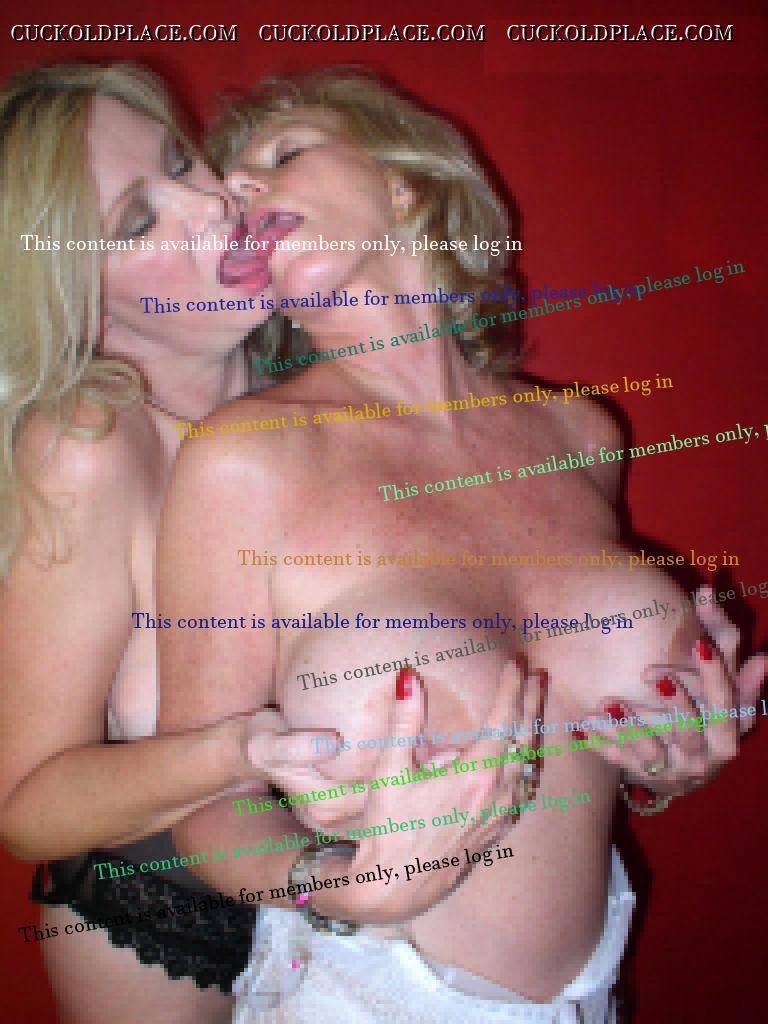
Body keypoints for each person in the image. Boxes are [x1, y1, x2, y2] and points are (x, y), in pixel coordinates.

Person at [157, 71, 765, 1022]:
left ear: (406, 184)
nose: (240, 190)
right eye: (234, 195)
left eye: (284, 155)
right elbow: (200, 804)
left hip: (588, 997)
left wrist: (667, 760)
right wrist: (335, 884)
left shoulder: (579, 435)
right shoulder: (245, 458)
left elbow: (575, 756)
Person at [0, 63, 331, 1024]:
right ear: (80, 304)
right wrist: (241, 750)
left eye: (183, 161)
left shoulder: (338, 385)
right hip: (168, 920)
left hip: (378, 904)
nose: (213, 203)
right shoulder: (86, 450)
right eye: (138, 222)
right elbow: (26, 807)